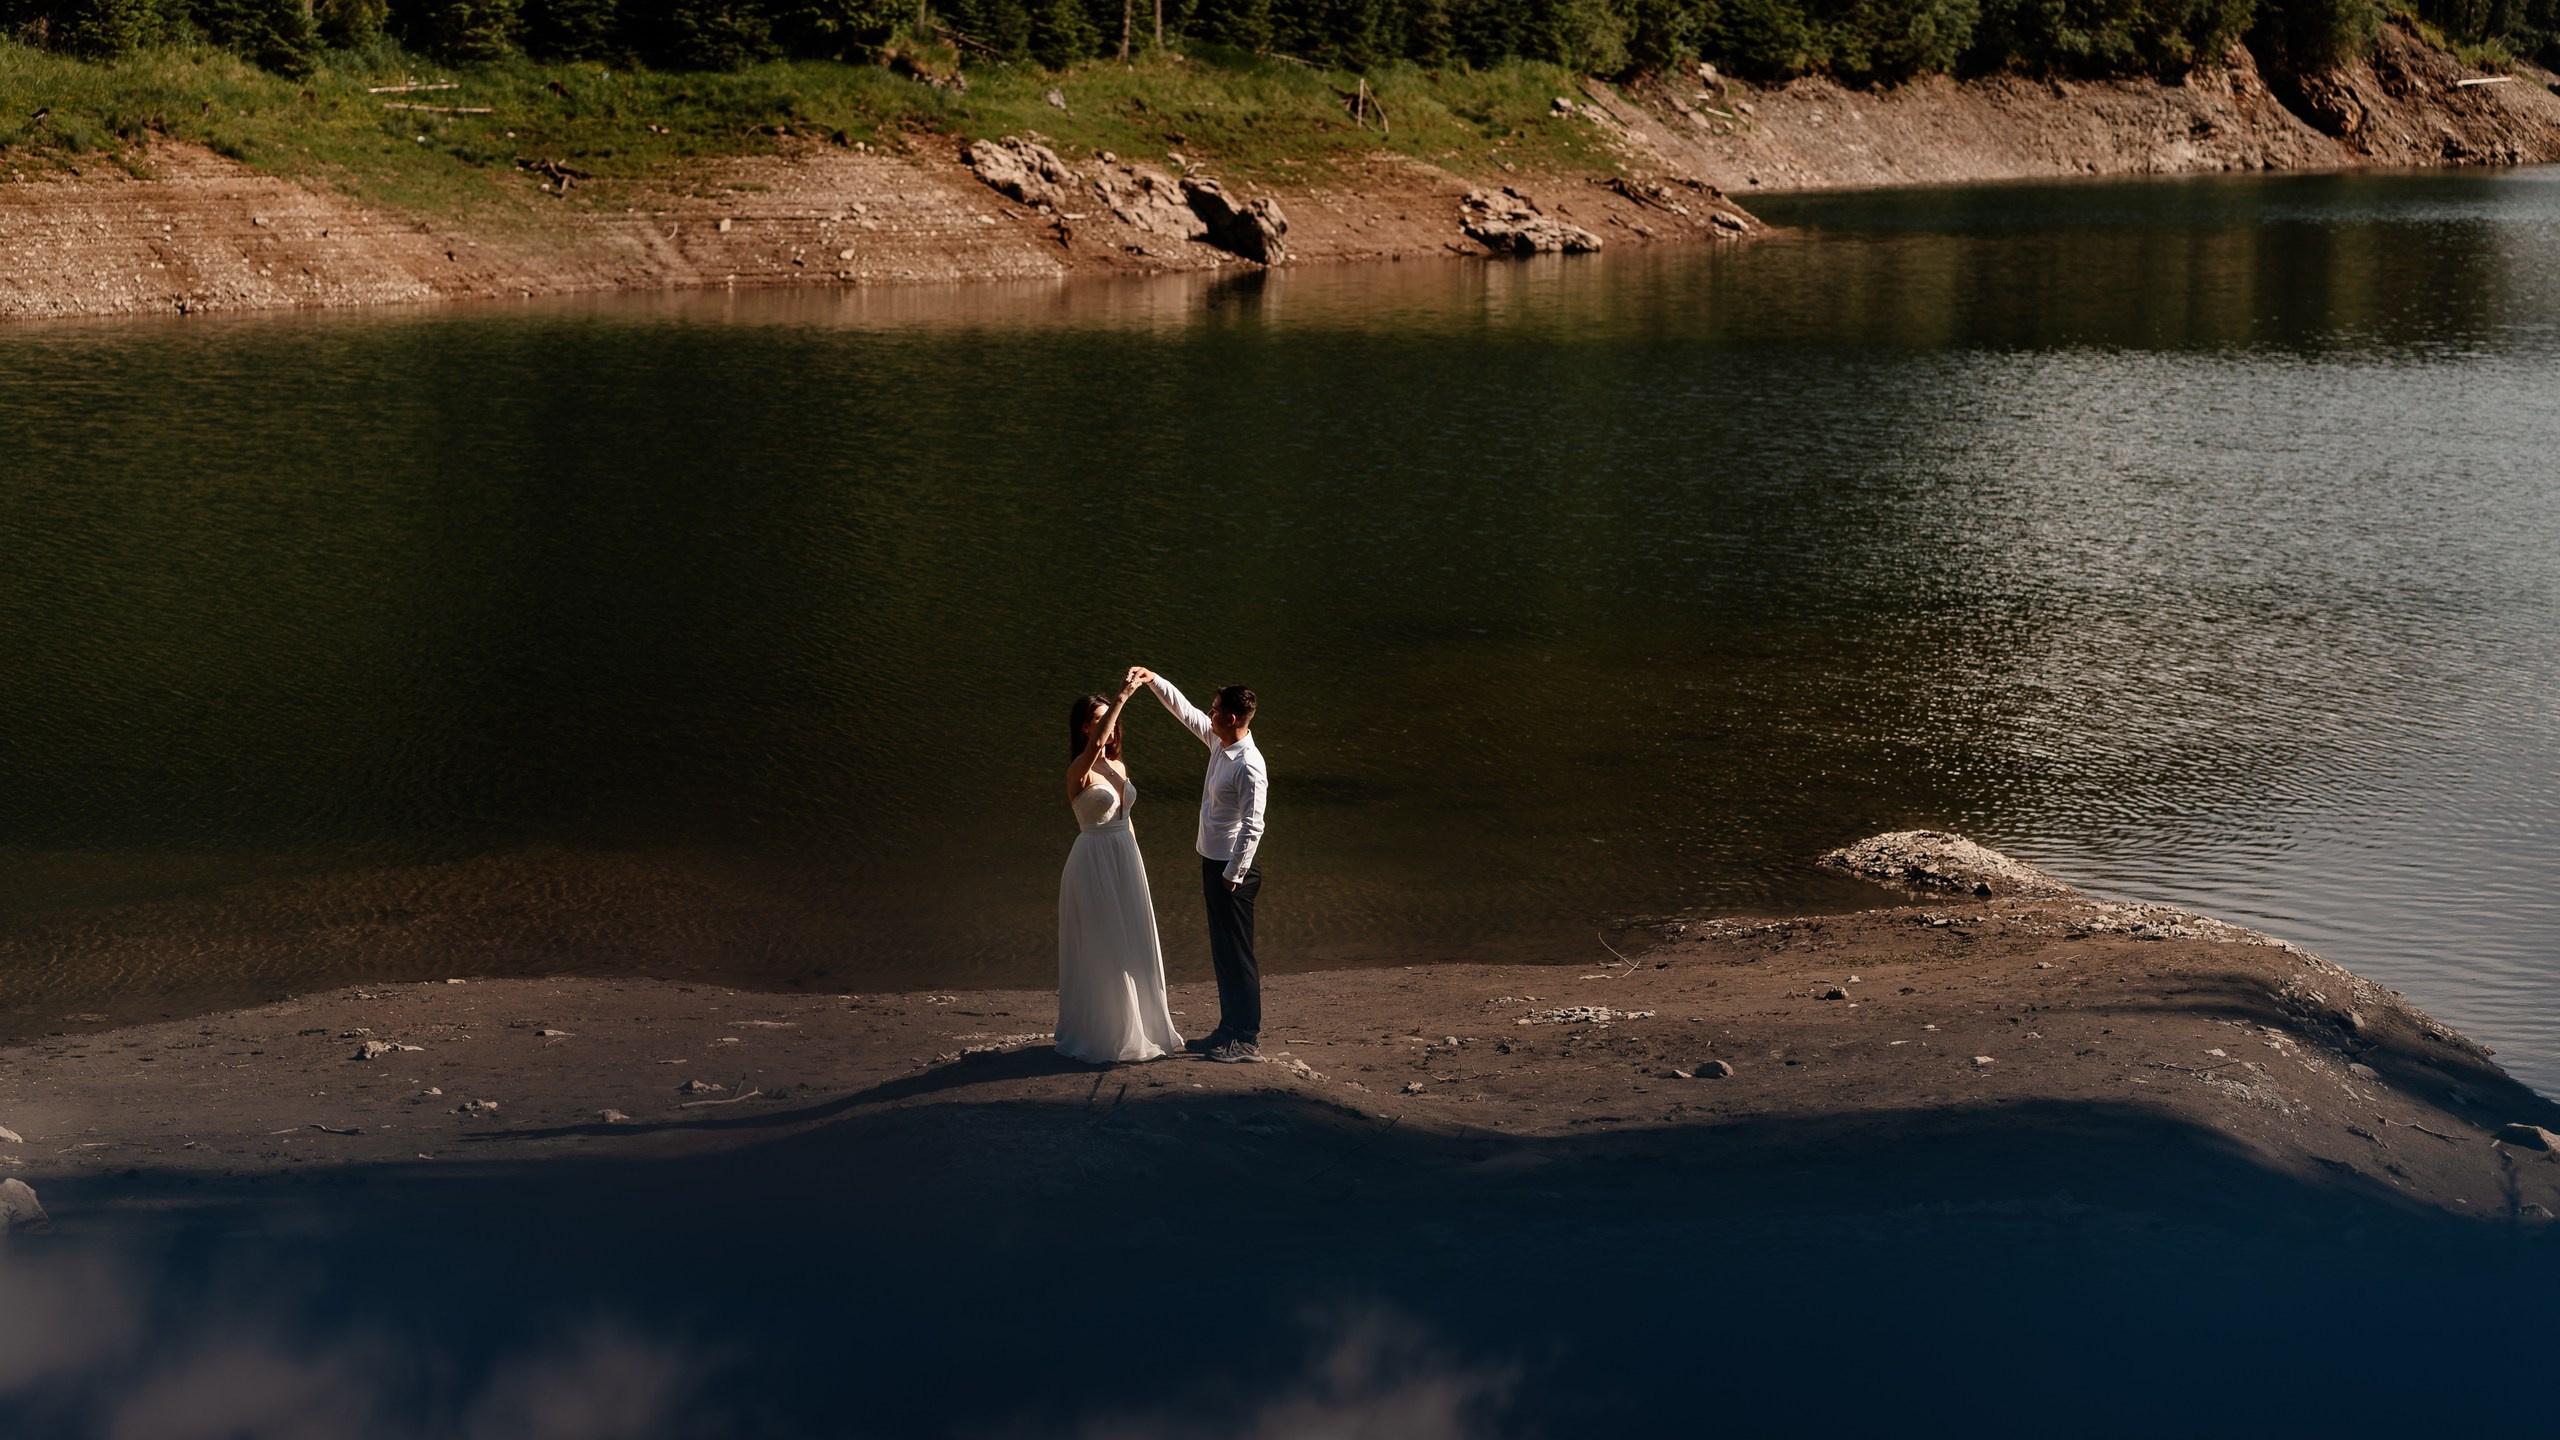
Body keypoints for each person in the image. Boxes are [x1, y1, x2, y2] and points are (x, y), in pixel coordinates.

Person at [1127, 666, 1267, 1063]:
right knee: (1222, 953)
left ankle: (1247, 1039)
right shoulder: (1218, 742)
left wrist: (1233, 876)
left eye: (1215, 709)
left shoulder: (1249, 765)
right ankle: (1227, 1030)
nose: (1209, 713)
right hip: (1213, 863)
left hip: (1233, 874)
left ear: (1232, 718)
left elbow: (1253, 827)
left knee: (1239, 955)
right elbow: (1183, 710)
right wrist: (1153, 680)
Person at [1054, 677, 1184, 1065]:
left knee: (1132, 942)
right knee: (1102, 943)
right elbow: (1096, 745)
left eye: (1110, 717)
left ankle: (1142, 1025)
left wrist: (1134, 861)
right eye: (1100, 718)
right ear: (1084, 726)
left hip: (1125, 856)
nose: (1109, 725)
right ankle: (1104, 1032)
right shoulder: (1080, 768)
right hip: (1092, 859)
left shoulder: (1118, 764)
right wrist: (1124, 696)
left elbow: (1125, 816)